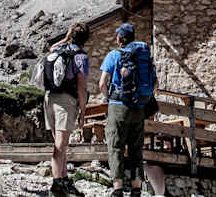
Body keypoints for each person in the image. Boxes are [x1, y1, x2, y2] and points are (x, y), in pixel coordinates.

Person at [99, 23, 156, 197]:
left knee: (115, 146)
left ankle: (117, 188)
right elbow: (155, 85)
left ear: (119, 39)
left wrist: (108, 98)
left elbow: (102, 83)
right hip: (139, 108)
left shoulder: (113, 55)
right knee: (136, 149)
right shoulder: (143, 56)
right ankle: (136, 188)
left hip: (118, 106)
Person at [44, 23, 90, 197]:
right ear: (86, 39)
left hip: (49, 98)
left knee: (60, 144)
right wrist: (83, 113)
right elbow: (82, 88)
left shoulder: (59, 49)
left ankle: (63, 179)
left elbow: (51, 48)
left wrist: (65, 37)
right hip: (65, 102)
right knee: (61, 145)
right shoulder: (81, 57)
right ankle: (56, 185)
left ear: (71, 35)